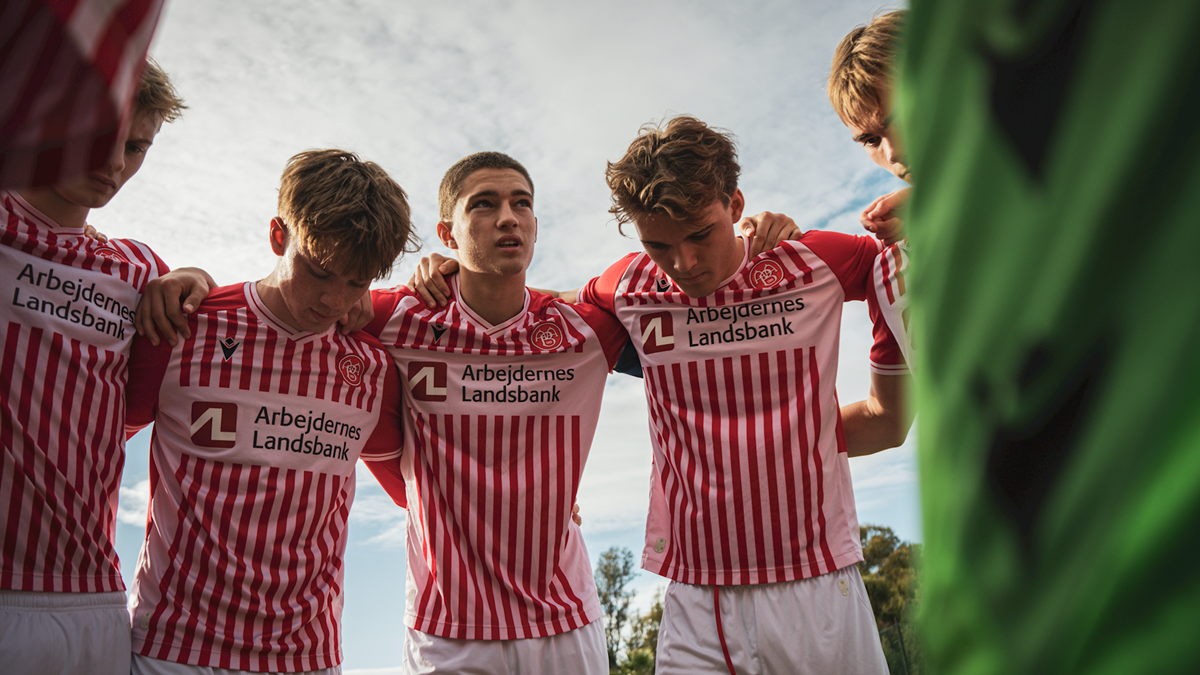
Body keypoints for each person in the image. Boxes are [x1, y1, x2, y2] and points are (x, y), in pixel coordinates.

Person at [413, 117, 913, 673]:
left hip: (817, 585)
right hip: (694, 596)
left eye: (700, 234)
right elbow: (537, 308)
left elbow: (899, 260)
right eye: (658, 245)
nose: (684, 264)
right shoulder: (628, 284)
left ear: (735, 204)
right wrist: (458, 272)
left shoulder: (815, 260)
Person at [123, 148, 417, 675]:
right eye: (319, 271)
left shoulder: (372, 368)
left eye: (357, 281)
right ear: (279, 236)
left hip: (306, 656)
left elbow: (419, 492)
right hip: (173, 648)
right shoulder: (184, 327)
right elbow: (86, 445)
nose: (333, 300)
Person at [360, 151, 629, 674]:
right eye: (483, 204)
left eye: (521, 204)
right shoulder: (397, 317)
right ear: (447, 233)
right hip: (448, 629)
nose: (508, 217)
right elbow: (300, 305)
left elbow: (690, 302)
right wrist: (195, 282)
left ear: (535, 225)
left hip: (566, 621)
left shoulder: (586, 329)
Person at [0, 58, 196, 675]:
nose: (115, 165)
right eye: (99, 138)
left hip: (93, 595)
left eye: (136, 147)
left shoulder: (138, 271)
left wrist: (193, 278)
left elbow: (135, 409)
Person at [828, 8, 914, 371]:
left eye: (904, 116)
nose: (893, 152)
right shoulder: (897, 264)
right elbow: (886, 407)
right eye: (870, 140)